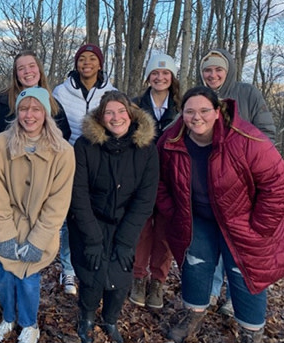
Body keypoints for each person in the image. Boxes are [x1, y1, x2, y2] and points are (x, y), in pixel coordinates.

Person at [156, 86, 284, 343]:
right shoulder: (171, 140)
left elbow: (277, 185)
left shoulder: (246, 139)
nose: (196, 117)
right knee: (195, 265)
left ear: (217, 112)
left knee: (243, 271)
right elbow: (158, 181)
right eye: (190, 111)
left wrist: (260, 227)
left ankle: (251, 330)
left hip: (243, 219)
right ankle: (193, 315)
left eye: (204, 110)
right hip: (198, 218)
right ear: (182, 113)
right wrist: (174, 211)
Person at [68, 91, 159, 343]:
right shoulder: (85, 146)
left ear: (130, 115)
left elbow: (145, 198)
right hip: (89, 220)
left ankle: (110, 319)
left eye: (120, 111)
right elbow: (78, 193)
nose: (115, 117)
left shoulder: (146, 150)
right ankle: (86, 316)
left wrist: (126, 238)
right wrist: (92, 237)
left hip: (126, 223)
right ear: (100, 117)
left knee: (120, 272)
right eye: (109, 112)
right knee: (90, 271)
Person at [0, 87, 75, 343]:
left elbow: (58, 203)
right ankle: (8, 317)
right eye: (24, 108)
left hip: (42, 227)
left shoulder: (63, 151)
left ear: (46, 113)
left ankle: (29, 323)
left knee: (28, 279)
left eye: (36, 109)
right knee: (4, 275)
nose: (29, 115)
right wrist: (5, 233)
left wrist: (38, 240)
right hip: (9, 223)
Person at [200, 49, 276, 316]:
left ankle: (236, 299)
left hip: (243, 185)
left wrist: (247, 164)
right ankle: (209, 290)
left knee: (239, 244)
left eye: (218, 69)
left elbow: (266, 134)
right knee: (212, 240)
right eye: (208, 70)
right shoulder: (200, 96)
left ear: (228, 70)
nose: (213, 75)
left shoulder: (248, 94)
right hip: (208, 183)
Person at [52, 43, 116, 296]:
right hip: (67, 161)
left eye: (92, 59)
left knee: (94, 216)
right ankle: (67, 269)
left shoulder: (110, 93)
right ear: (76, 63)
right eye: (82, 59)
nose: (86, 63)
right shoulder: (61, 91)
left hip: (99, 164)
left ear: (100, 64)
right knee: (67, 219)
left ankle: (90, 263)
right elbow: (54, 125)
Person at [129, 53, 181, 309]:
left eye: (165, 73)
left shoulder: (182, 107)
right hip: (141, 177)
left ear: (172, 78)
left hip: (172, 179)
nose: (160, 77)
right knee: (142, 228)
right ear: (148, 77)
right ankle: (138, 277)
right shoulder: (136, 106)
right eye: (155, 73)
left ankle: (158, 282)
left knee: (164, 232)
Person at [0, 50, 71, 148]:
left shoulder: (53, 104)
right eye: (21, 68)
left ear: (39, 69)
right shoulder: (1, 102)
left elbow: (63, 135)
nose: (27, 71)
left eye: (32, 66)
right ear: (16, 75)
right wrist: (0, 154)